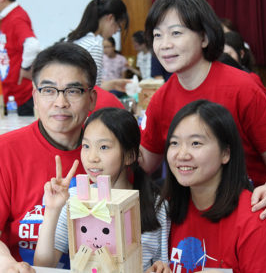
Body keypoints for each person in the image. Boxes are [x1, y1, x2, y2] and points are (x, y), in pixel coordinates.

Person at [140, 0, 266, 233]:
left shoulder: (242, 87)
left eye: (176, 33)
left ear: (204, 38)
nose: (165, 45)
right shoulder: (161, 99)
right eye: (157, 35)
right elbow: (145, 161)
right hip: (203, 212)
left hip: (260, 207)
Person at [146, 100, 266, 273]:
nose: (182, 154)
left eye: (196, 143)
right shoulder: (167, 209)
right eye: (174, 143)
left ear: (226, 153)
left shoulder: (260, 221)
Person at [0, 42, 98, 272]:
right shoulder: (6, 151)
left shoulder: (109, 153)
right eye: (49, 90)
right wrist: (8, 264)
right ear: (35, 97)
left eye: (73, 91)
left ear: (92, 99)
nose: (60, 102)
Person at [34, 107, 170, 271]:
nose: (92, 157)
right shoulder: (75, 199)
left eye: (104, 147)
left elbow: (161, 266)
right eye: (86, 146)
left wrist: (158, 268)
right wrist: (52, 210)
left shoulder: (156, 205)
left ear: (130, 156)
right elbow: (44, 265)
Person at [65, 0, 130, 91]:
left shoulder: (71, 39)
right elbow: (93, 91)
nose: (116, 31)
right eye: (118, 26)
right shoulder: (94, 45)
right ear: (110, 18)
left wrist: (113, 84)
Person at [0, 0, 40, 116]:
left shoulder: (16, 18)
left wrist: (24, 67)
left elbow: (33, 44)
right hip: (11, 95)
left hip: (23, 95)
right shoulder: (5, 18)